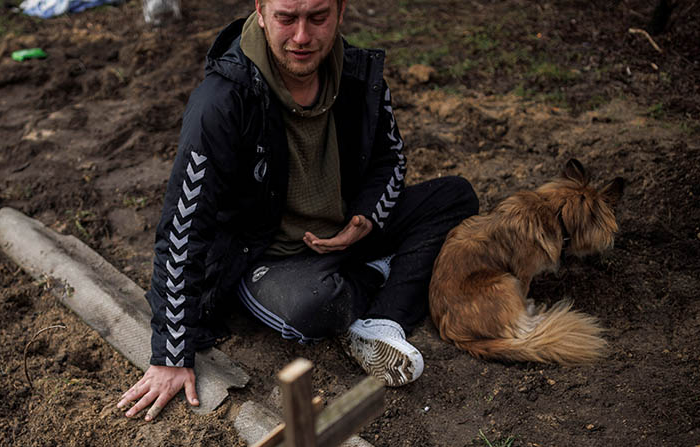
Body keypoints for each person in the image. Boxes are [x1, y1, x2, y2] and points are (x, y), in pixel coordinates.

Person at [118, 0, 478, 421]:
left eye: (318, 17)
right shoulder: (222, 101)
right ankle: (379, 272)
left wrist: (364, 218)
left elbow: (390, 160)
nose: (303, 37)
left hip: (346, 230)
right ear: (261, 10)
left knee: (456, 196)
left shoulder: (359, 73)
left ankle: (382, 320)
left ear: (341, 11)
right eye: (287, 18)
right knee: (311, 308)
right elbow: (183, 226)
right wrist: (170, 354)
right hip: (268, 257)